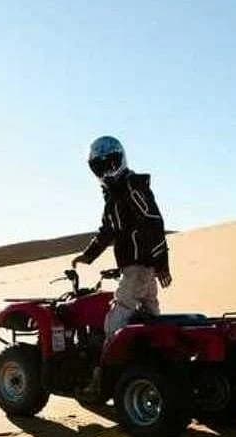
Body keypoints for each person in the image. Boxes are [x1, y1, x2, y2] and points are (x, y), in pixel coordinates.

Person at [72, 136, 172, 398]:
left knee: (114, 323)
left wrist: (161, 262)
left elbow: (153, 221)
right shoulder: (114, 195)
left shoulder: (132, 187)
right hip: (137, 269)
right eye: (100, 167)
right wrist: (88, 255)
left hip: (139, 268)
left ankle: (101, 381)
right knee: (150, 318)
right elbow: (107, 231)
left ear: (121, 160)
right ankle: (153, 369)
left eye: (111, 164)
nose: (106, 171)